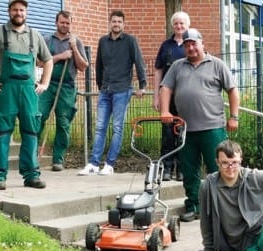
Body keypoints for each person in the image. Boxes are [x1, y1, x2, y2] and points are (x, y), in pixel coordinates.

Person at [160, 28, 240, 222]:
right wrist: (165, 111)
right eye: (187, 45)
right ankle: (194, 205)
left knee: (219, 167)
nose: (191, 48)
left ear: (202, 44)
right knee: (189, 171)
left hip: (213, 128)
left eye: (193, 43)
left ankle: (222, 208)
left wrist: (234, 117)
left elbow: (232, 90)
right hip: (186, 129)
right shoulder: (178, 66)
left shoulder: (217, 64)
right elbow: (166, 88)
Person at [0, 0, 53, 190]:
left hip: (29, 92)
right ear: (9, 11)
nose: (19, 13)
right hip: (5, 91)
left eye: (22, 10)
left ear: (26, 12)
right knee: (1, 134)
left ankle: (31, 176)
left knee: (31, 133)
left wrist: (44, 83)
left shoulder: (35, 35)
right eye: (15, 9)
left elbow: (48, 60)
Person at [78, 10, 146, 176]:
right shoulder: (103, 41)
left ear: (123, 24)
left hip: (122, 89)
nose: (116, 24)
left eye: (119, 22)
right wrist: (100, 85)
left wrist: (142, 85)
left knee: (117, 127)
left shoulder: (130, 41)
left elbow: (139, 62)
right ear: (110, 23)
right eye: (114, 21)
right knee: (100, 127)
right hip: (105, 90)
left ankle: (109, 164)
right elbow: (99, 65)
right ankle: (94, 163)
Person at [38, 10, 89, 171]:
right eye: (62, 22)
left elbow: (83, 66)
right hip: (47, 84)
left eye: (68, 23)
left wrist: (74, 49)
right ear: (56, 22)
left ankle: (58, 160)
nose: (65, 25)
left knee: (63, 122)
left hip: (67, 87)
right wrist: (60, 56)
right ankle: (32, 155)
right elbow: (39, 63)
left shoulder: (76, 41)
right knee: (37, 117)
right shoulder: (46, 40)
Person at [152, 11, 189, 181]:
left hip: (185, 97)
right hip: (167, 97)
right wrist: (156, 96)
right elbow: (158, 71)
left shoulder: (192, 44)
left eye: (182, 23)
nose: (179, 26)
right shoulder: (166, 45)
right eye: (176, 24)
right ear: (172, 25)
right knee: (167, 134)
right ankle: (167, 168)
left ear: (187, 25)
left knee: (183, 133)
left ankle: (182, 169)